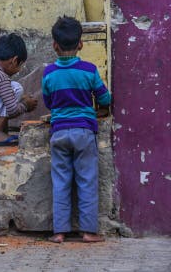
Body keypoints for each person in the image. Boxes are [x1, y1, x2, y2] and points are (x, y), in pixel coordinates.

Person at [43, 16, 111, 244]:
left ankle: (59, 232)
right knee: (87, 181)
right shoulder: (89, 70)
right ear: (81, 43)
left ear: (54, 45)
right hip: (84, 132)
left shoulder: (49, 73)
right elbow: (105, 97)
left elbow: (48, 102)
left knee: (60, 182)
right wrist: (100, 106)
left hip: (59, 133)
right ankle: (89, 232)